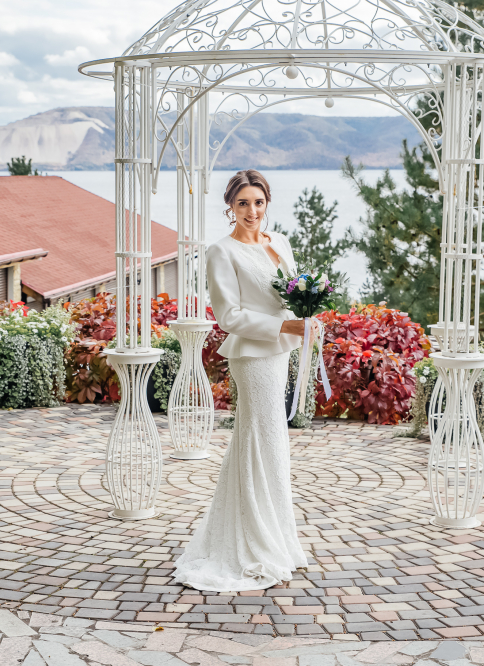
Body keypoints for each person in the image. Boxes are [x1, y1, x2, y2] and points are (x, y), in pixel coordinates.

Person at [172, 169, 316, 592]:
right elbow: (228, 316)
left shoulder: (280, 242)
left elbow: (292, 295)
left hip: (280, 352)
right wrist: (285, 326)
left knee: (268, 441)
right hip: (253, 357)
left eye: (258, 202)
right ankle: (253, 543)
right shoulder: (221, 251)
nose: (252, 211)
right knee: (261, 437)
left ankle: (275, 537)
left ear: (267, 202)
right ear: (230, 206)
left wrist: (307, 319)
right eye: (243, 203)